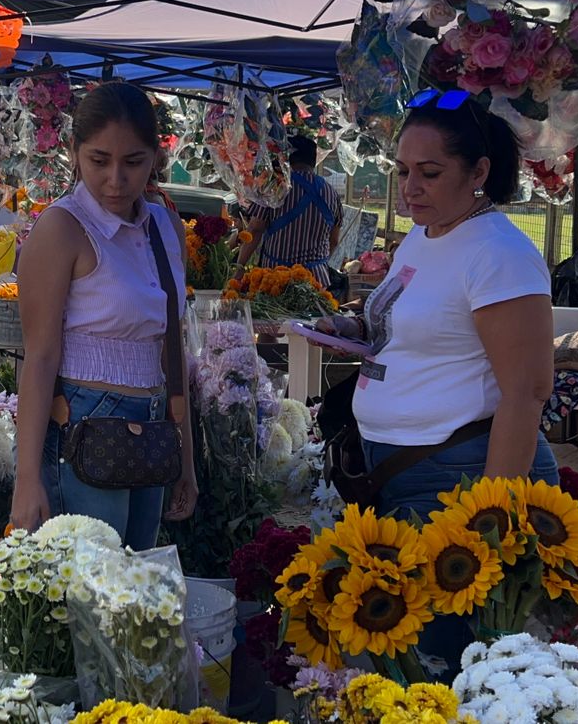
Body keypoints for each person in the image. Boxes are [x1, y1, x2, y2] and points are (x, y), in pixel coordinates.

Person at [314, 91, 556, 675]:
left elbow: (526, 393)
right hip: (397, 470)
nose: (409, 188)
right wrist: (354, 325)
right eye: (401, 171)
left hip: (459, 478)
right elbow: (415, 324)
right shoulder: (426, 234)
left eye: (429, 172)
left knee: (439, 657)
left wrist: (489, 521)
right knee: (405, 653)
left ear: (479, 172)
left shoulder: (498, 253)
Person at [11, 82, 199, 549]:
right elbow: (38, 358)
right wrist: (26, 478)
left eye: (133, 162)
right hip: (83, 427)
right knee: (91, 599)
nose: (116, 179)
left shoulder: (165, 226)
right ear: (75, 153)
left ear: (155, 158)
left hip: (154, 427)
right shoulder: (62, 228)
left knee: (134, 595)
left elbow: (170, 347)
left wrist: (186, 461)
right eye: (99, 160)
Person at [238, 134, 342, 286]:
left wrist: (239, 268)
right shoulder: (331, 193)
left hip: (276, 280)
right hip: (316, 282)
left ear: (287, 159)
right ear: (313, 161)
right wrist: (318, 263)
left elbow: (255, 230)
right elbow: (334, 240)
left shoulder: (276, 186)